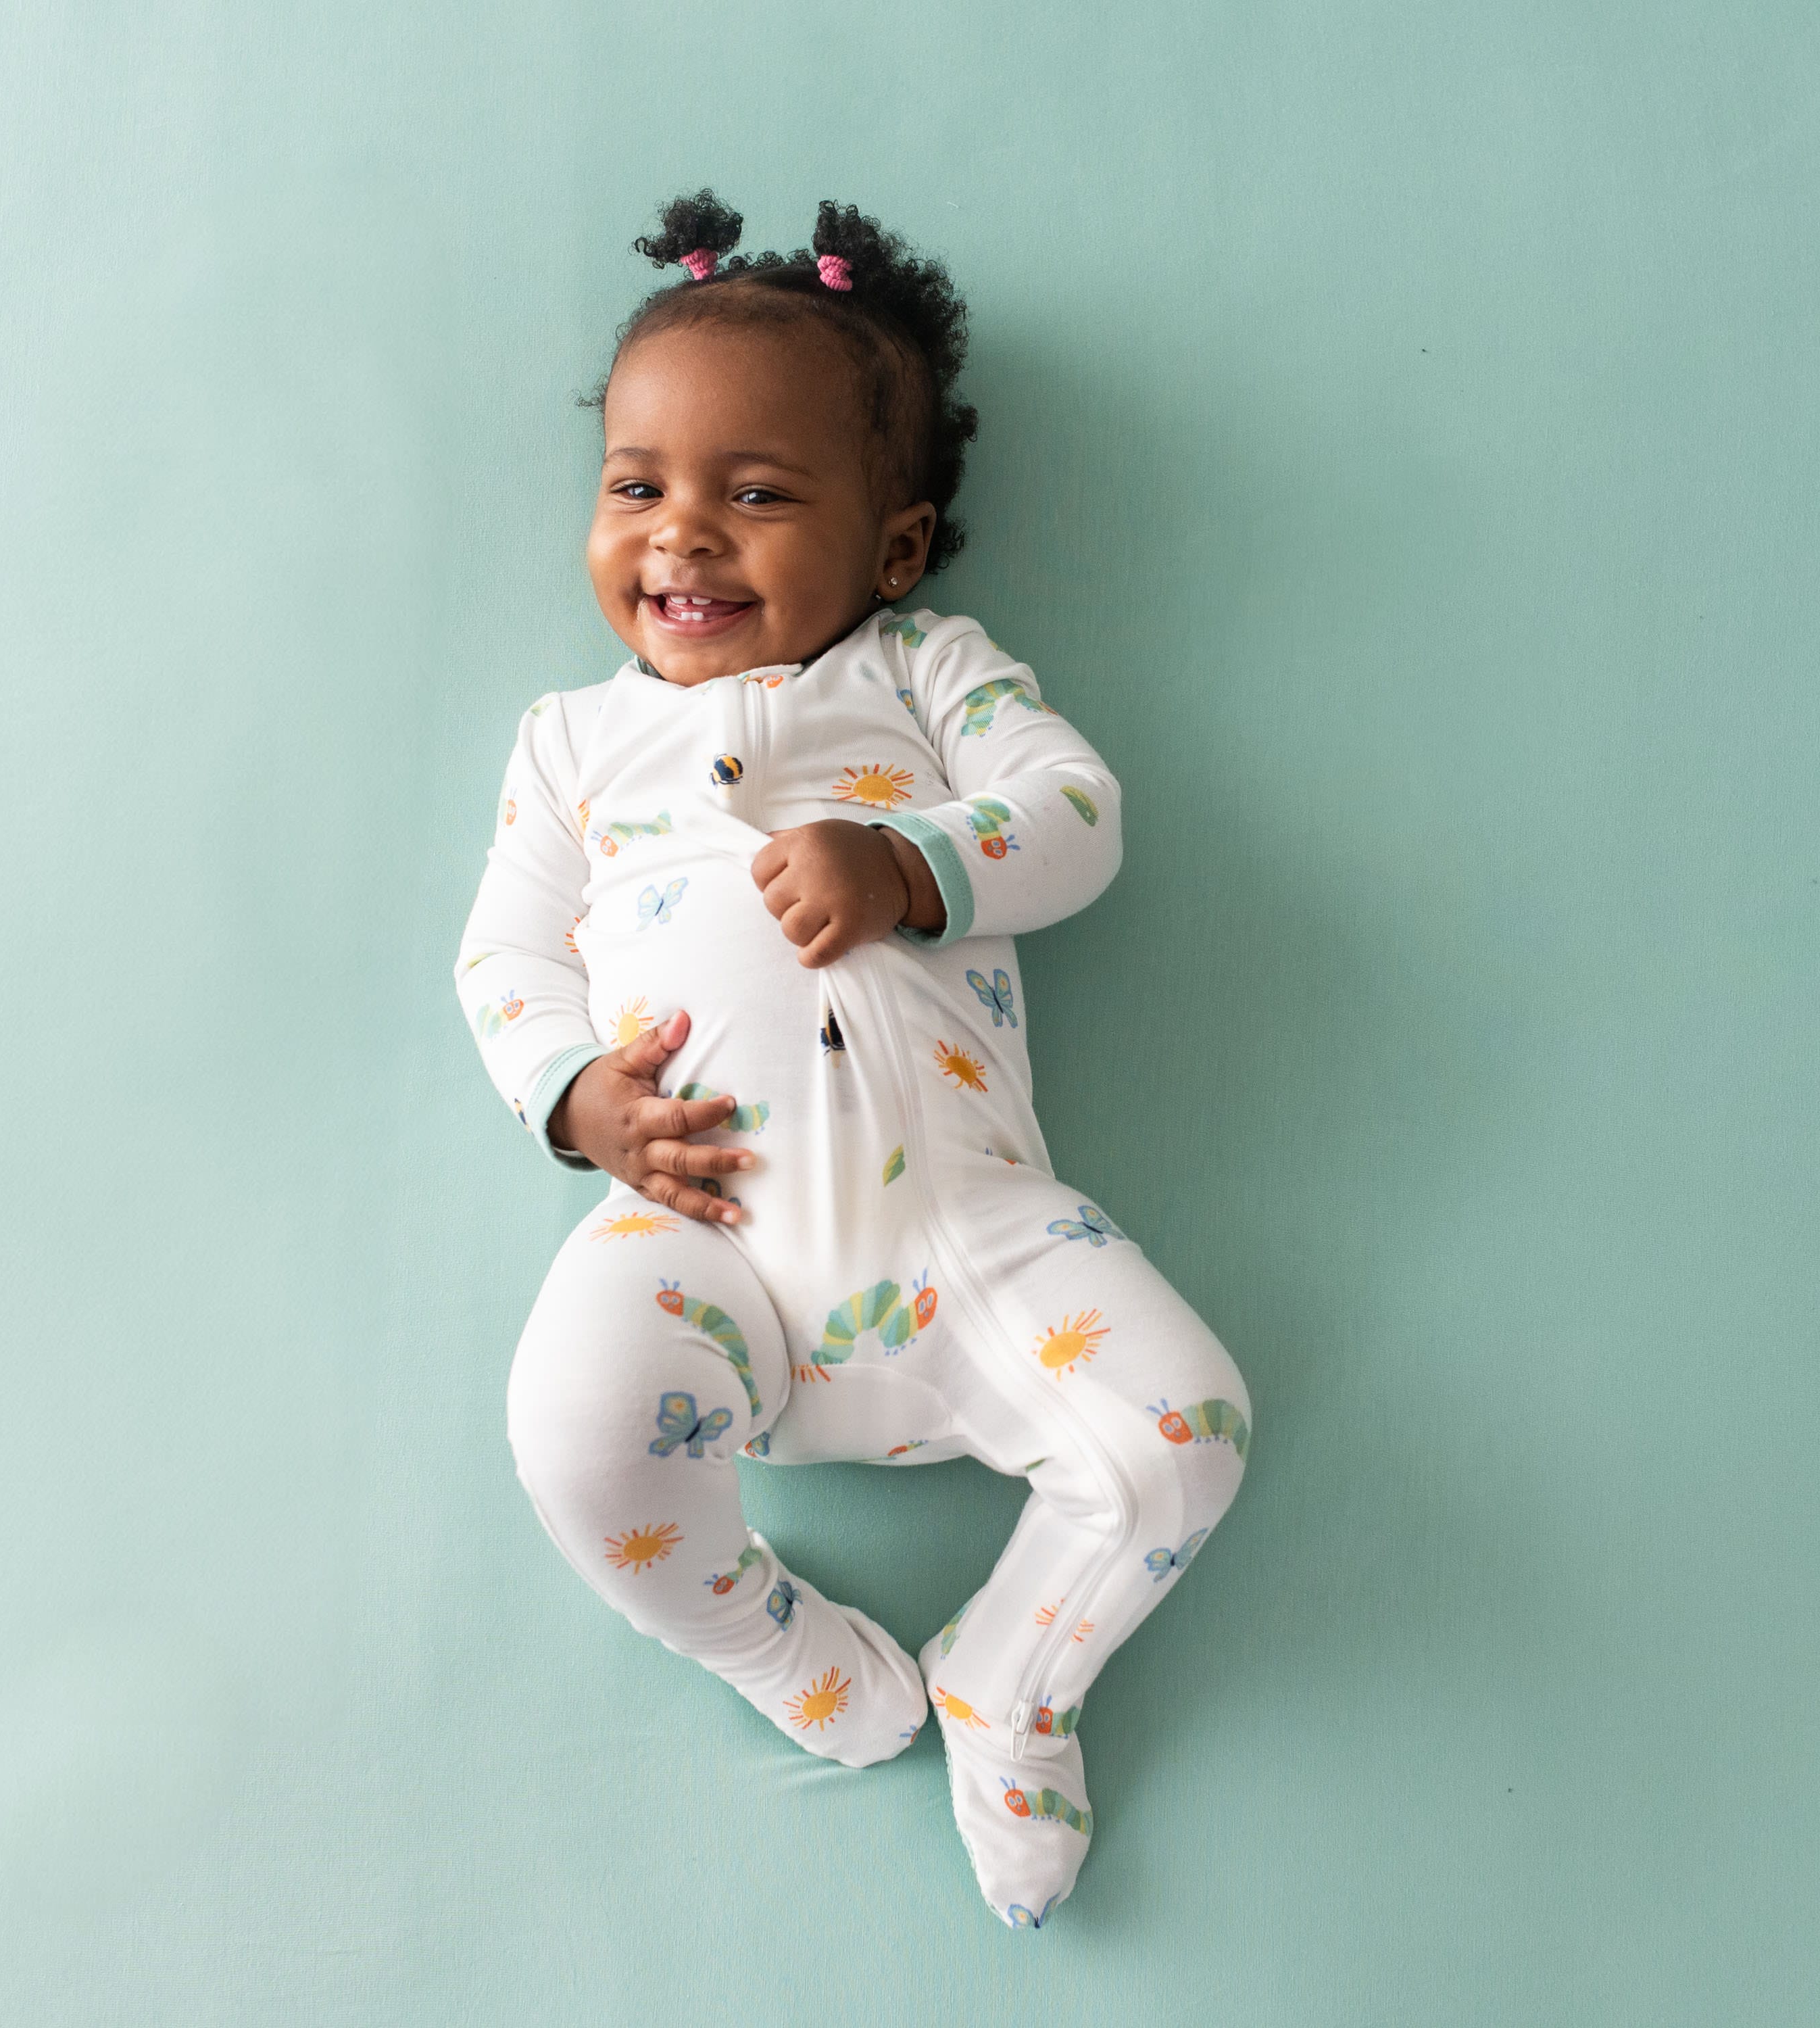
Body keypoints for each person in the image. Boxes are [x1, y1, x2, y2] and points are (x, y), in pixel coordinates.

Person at [456, 191, 1250, 1929]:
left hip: (974, 1238)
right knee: (568, 1434)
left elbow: (1080, 815)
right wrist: (579, 1100)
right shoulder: (574, 744)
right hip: (701, 1241)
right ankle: (768, 1640)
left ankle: (1008, 1685)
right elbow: (507, 955)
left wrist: (912, 868)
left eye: (755, 494)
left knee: (1186, 1434)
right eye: (636, 487)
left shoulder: (927, 674)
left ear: (893, 551)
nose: (682, 538)